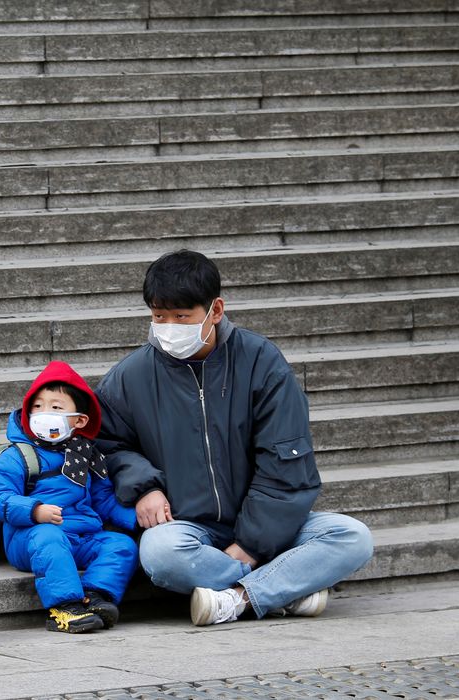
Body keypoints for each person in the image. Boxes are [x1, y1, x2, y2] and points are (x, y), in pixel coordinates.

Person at [94, 249, 373, 626]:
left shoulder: (261, 362)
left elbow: (286, 462)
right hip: (189, 526)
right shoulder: (129, 377)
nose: (169, 327)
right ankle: (280, 591)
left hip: (266, 524)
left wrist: (251, 544)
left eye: (182, 317)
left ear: (216, 310)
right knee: (159, 552)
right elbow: (109, 445)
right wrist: (143, 486)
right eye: (159, 316)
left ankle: (238, 598)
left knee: (352, 536)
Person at [0, 360, 139, 633]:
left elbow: (102, 499)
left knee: (120, 544)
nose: (45, 413)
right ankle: (64, 608)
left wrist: (136, 519)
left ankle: (95, 596)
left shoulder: (87, 455)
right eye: (38, 406)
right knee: (49, 536)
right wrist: (34, 510)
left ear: (79, 420)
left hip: (82, 536)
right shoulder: (19, 455)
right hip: (30, 538)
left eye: (56, 407)